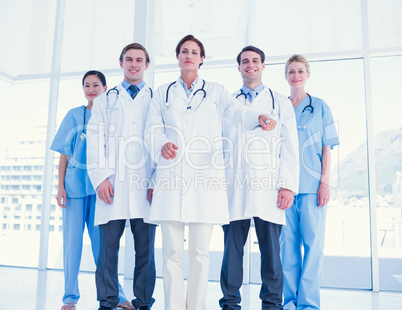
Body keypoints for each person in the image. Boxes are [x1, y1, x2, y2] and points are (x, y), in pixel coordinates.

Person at [144, 35, 275, 310]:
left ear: (202, 58)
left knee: (201, 253)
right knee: (171, 253)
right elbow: (152, 129)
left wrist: (258, 117)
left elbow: (238, 112)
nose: (189, 56)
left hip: (204, 181)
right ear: (177, 56)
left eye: (194, 52)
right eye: (184, 51)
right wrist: (160, 144)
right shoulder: (163, 92)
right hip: (171, 178)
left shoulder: (216, 91)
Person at [219, 46, 299, 310]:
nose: (250, 65)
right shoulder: (228, 103)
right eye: (244, 61)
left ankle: (272, 304)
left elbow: (289, 146)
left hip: (268, 187)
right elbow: (218, 145)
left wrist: (287, 186)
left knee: (271, 254)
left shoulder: (280, 102)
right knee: (232, 253)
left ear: (263, 66)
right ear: (239, 67)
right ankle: (230, 303)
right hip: (234, 186)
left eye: (255, 61)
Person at [50, 70, 134, 310]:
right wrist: (60, 187)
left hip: (101, 190)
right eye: (86, 85)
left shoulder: (111, 116)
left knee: (103, 249)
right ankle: (69, 298)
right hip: (75, 188)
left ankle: (116, 295)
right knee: (72, 246)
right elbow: (64, 155)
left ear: (105, 88)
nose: (91, 89)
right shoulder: (74, 115)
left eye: (96, 85)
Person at [86, 43, 156, 310]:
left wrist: (157, 179)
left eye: (139, 60)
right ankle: (107, 302)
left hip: (145, 184)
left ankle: (143, 302)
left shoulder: (156, 98)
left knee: (145, 252)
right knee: (107, 252)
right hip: (111, 184)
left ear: (146, 64)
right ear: (121, 63)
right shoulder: (105, 99)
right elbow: (95, 140)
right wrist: (101, 177)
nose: (134, 64)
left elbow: (163, 138)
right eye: (129, 59)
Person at [280, 54, 339, 310]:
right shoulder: (279, 106)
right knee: (288, 249)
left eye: (300, 71)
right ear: (286, 75)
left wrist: (325, 183)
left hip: (313, 187)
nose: (296, 75)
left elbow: (327, 148)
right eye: (291, 71)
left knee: (313, 247)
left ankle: (308, 304)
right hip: (285, 188)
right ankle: (290, 302)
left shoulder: (321, 106)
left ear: (308, 75)